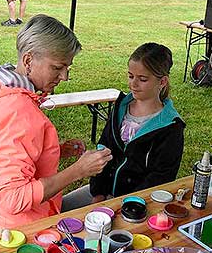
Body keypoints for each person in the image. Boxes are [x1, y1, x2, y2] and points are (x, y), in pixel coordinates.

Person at [0, 14, 113, 236]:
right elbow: (13, 198)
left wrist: (53, 151)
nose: (64, 76)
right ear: (28, 61)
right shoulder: (17, 110)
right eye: (57, 67)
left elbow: (0, 155)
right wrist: (78, 170)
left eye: (67, 68)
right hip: (15, 235)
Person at [62, 43, 185, 211]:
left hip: (136, 205)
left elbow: (160, 178)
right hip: (101, 193)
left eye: (142, 79)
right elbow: (103, 149)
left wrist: (123, 206)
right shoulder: (121, 107)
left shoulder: (170, 127)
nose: (133, 84)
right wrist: (98, 193)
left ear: (162, 81)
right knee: (58, 210)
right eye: (130, 76)